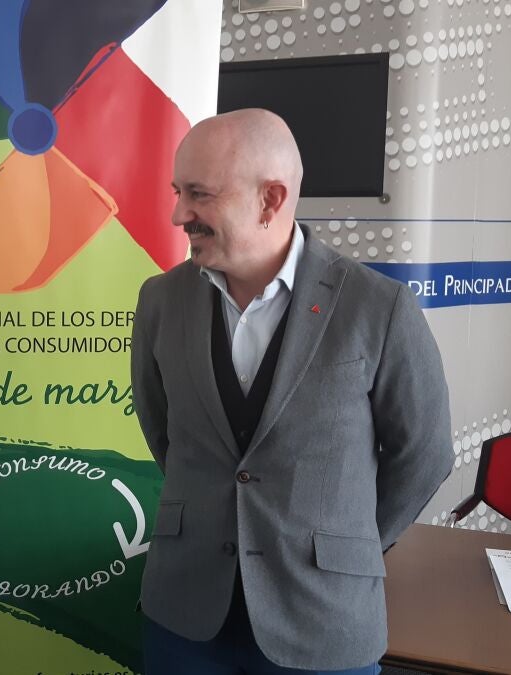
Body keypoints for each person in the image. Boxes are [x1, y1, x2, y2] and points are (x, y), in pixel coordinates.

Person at [130, 109, 453, 674]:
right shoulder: (161, 300)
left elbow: (424, 456)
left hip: (321, 622)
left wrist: (343, 545)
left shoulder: (378, 308)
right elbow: (163, 431)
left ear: (270, 200)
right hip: (184, 617)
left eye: (199, 195)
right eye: (179, 193)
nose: (179, 214)